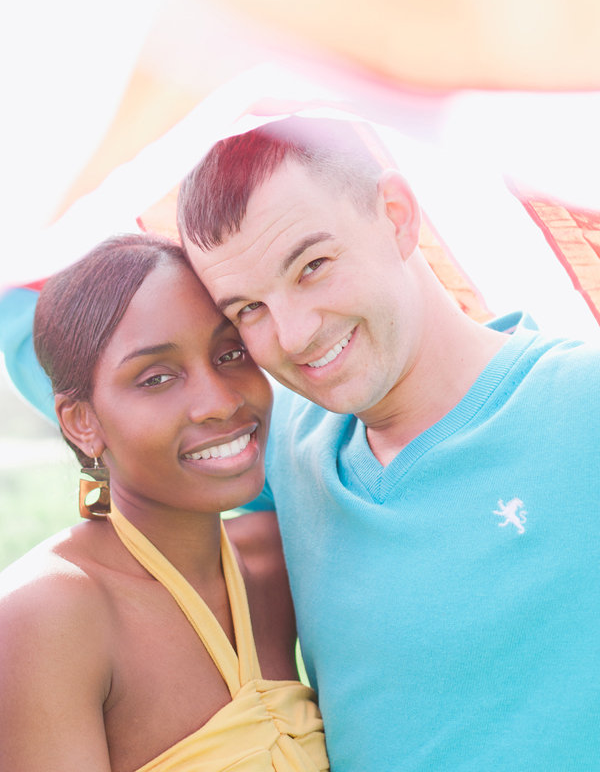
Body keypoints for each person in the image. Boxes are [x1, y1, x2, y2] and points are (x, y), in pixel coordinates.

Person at [177, 116, 600, 771]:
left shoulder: (581, 404)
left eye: (312, 266)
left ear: (397, 216)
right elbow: (122, 405)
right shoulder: (283, 441)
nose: (292, 335)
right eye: (248, 309)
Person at [0, 234, 329, 772]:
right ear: (82, 422)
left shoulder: (277, 563)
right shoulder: (47, 617)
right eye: (157, 378)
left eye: (231, 354)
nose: (220, 401)